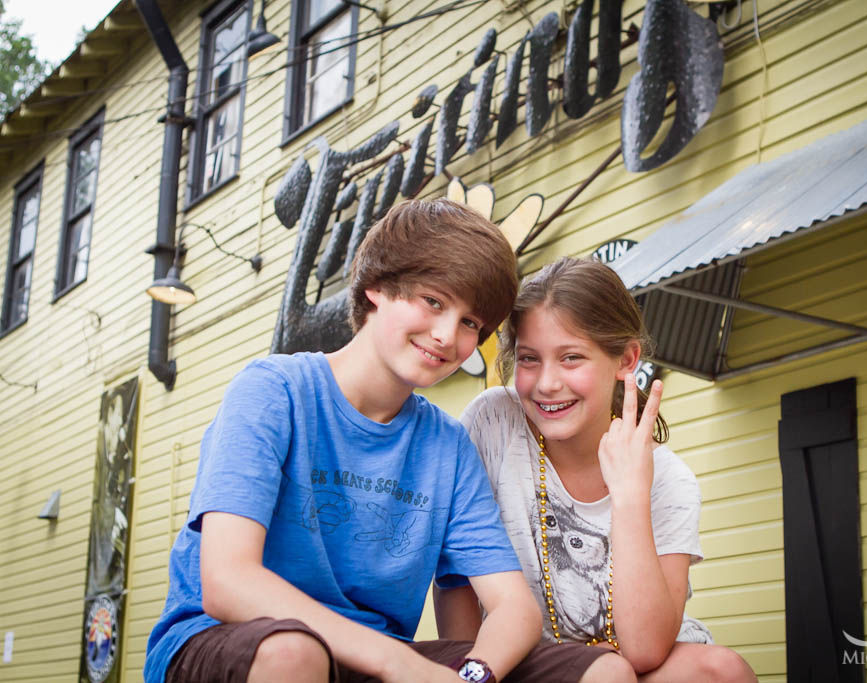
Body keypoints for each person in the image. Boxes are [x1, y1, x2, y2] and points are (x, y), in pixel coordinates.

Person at [144, 203, 632, 683]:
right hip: (227, 641)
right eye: (433, 301)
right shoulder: (275, 391)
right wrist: (398, 663)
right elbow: (228, 581)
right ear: (376, 288)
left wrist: (473, 675)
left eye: (470, 323)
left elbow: (514, 608)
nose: (446, 336)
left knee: (604, 670)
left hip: (380, 659)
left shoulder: (447, 445)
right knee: (294, 654)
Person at [437, 257, 757, 682]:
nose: (547, 383)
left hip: (637, 664)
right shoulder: (494, 423)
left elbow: (645, 650)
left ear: (626, 359)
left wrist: (629, 494)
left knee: (723, 671)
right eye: (529, 359)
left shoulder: (669, 480)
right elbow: (455, 569)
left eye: (571, 358)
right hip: (521, 662)